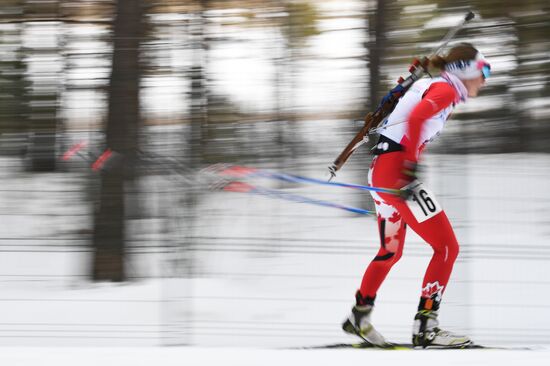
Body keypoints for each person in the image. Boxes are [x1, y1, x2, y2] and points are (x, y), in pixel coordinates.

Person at [342, 43, 491, 348]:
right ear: (465, 71)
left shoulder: (431, 84)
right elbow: (416, 119)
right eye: (483, 70)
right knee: (447, 247)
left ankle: (360, 316)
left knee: (390, 251)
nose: (485, 78)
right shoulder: (446, 90)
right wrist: (411, 167)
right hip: (398, 174)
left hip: (380, 171)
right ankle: (427, 326)